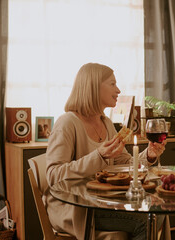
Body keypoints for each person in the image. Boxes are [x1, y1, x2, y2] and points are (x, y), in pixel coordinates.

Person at [44, 63, 166, 240]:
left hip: (103, 203)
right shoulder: (67, 123)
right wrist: (98, 156)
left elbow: (124, 163)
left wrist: (149, 155)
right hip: (75, 208)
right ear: (93, 86)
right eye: (112, 84)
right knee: (147, 220)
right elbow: (53, 175)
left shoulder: (106, 123)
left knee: (157, 212)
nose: (118, 90)